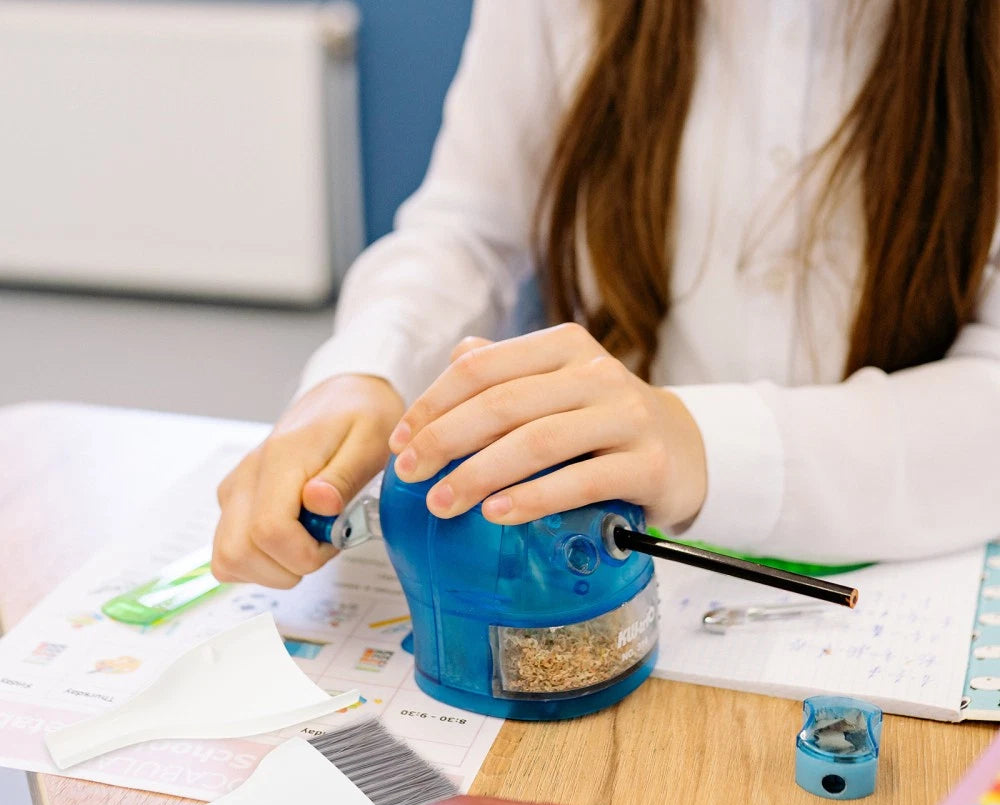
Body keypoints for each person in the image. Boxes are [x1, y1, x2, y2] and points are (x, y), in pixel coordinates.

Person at [212, 0, 1000, 591]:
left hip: (928, 564)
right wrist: (368, 367)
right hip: (611, 561)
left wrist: (700, 444)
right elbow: (468, 228)